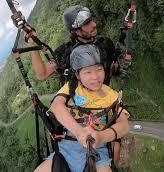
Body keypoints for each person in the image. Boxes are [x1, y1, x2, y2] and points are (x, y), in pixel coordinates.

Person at [27, 5, 128, 167]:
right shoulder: (65, 53)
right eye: (86, 23)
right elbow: (42, 74)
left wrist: (121, 65)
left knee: (115, 147)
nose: (93, 24)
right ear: (75, 31)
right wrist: (34, 47)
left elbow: (114, 69)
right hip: (73, 106)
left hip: (102, 104)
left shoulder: (105, 45)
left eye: (92, 20)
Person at [34, 44, 130, 172]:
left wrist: (101, 137)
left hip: (97, 151)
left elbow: (124, 124)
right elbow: (57, 106)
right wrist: (79, 132)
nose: (95, 77)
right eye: (88, 72)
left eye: (99, 69)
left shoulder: (111, 95)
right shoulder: (72, 87)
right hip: (67, 148)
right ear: (78, 75)